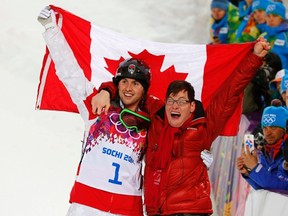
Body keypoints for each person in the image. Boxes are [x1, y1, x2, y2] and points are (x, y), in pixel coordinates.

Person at [92, 38, 271, 215]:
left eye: (181, 101)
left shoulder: (203, 129)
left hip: (189, 211)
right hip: (156, 211)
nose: (175, 106)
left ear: (192, 106)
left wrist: (254, 57)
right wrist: (106, 90)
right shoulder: (155, 120)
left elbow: (230, 92)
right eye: (171, 100)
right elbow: (130, 91)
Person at [38, 7, 152, 216]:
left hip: (125, 209)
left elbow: (169, 152)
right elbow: (70, 73)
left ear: (144, 90)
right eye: (124, 81)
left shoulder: (151, 123)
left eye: (135, 84)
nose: (128, 88)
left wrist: (198, 154)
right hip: (86, 206)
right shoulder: (98, 108)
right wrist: (51, 30)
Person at [237, 105, 288, 193]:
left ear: (284, 129)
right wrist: (248, 173)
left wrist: (255, 168)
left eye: (273, 127)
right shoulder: (266, 150)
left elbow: (283, 186)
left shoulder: (286, 151)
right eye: (265, 128)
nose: (267, 133)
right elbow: (263, 188)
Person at [260, 1, 288, 69]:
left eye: (275, 16)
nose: (271, 19)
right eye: (268, 16)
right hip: (266, 74)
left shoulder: (286, 35)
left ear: (282, 18)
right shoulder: (263, 36)